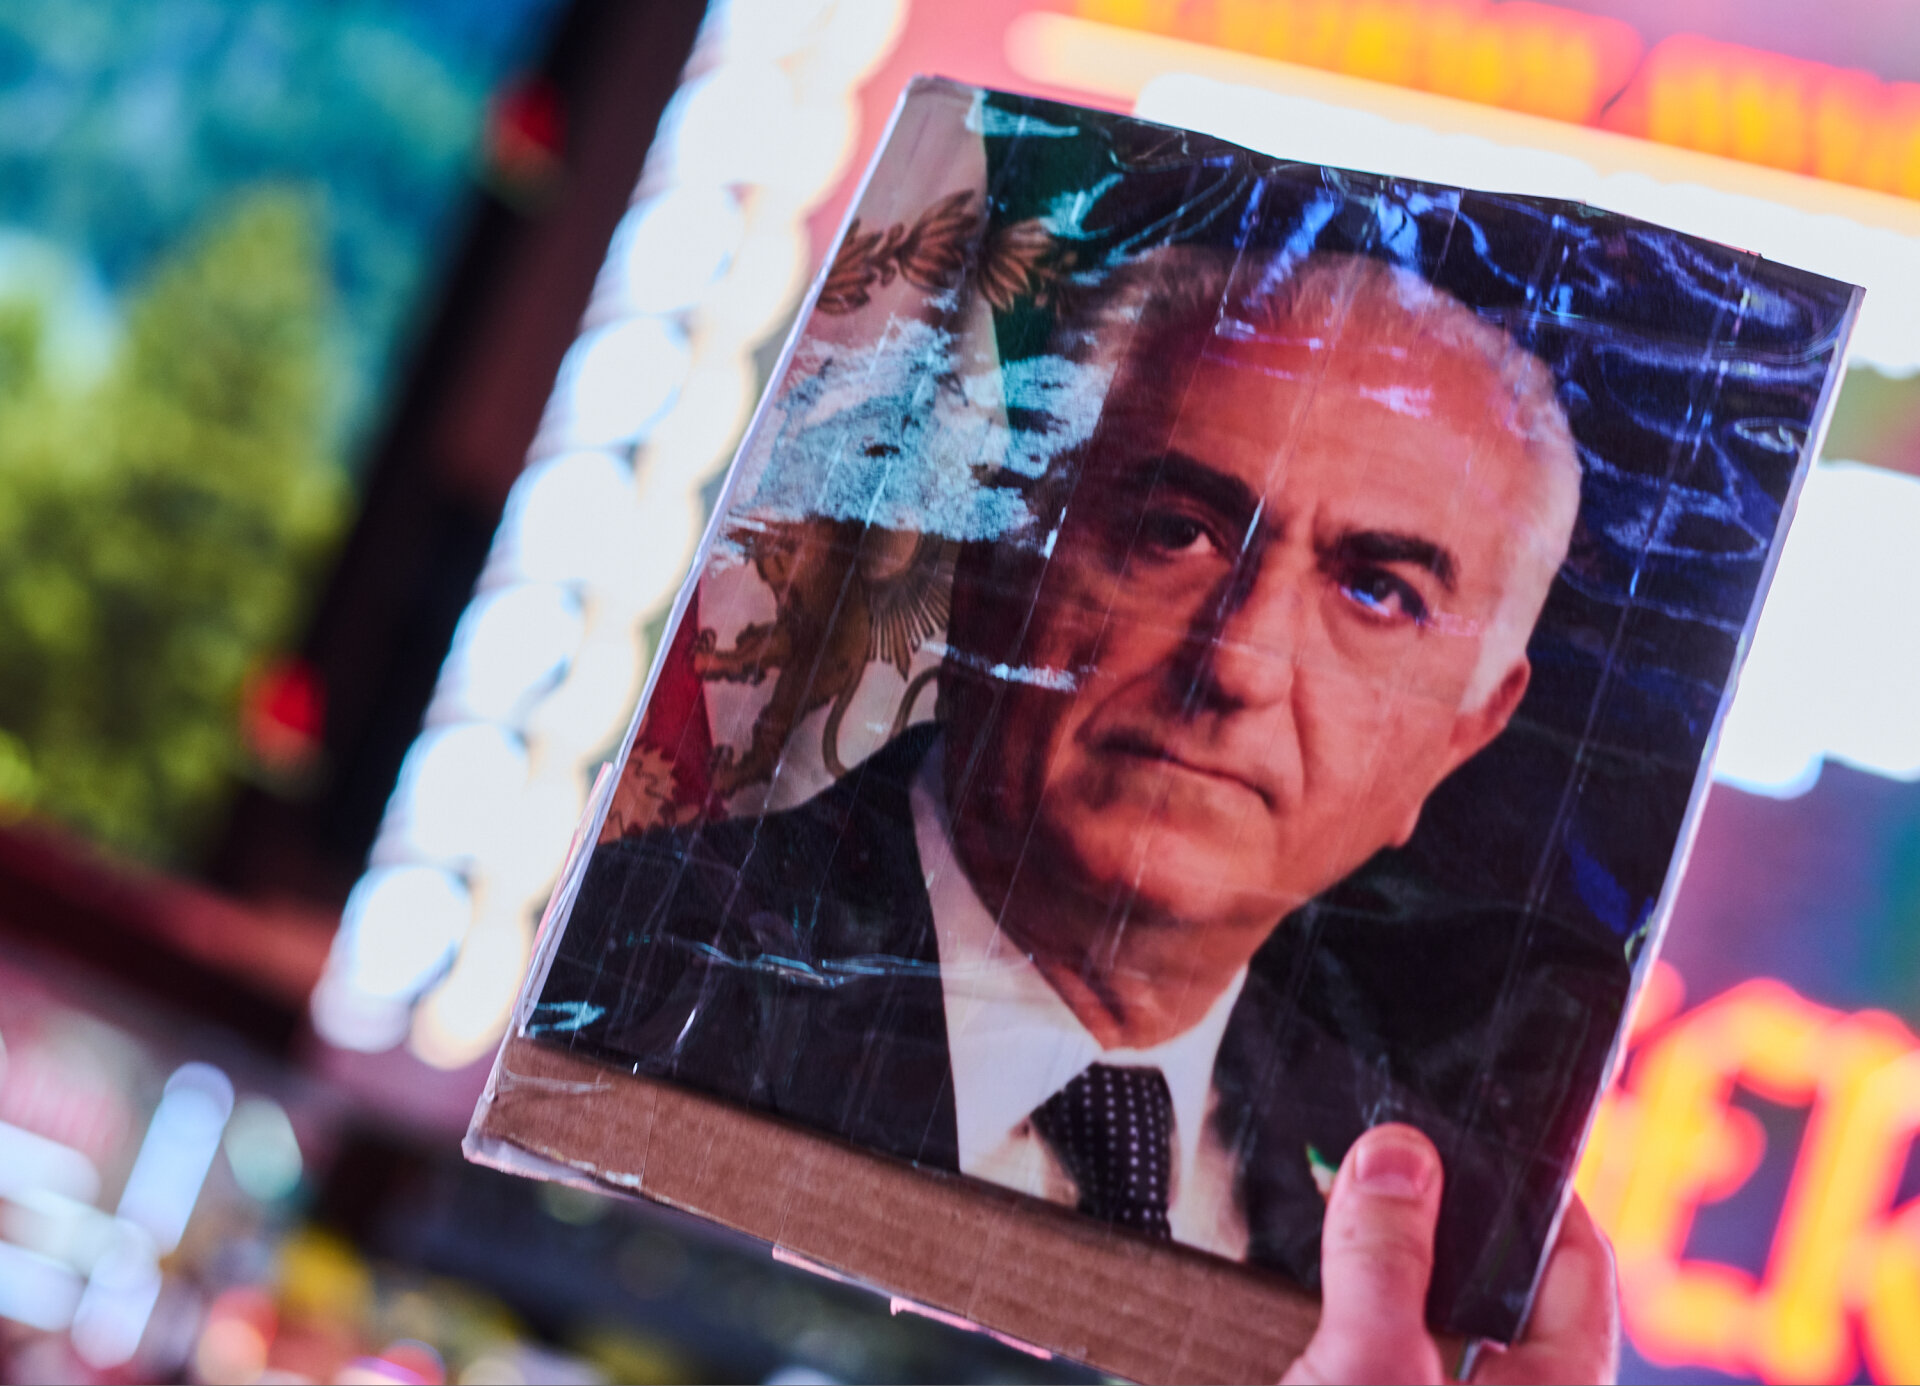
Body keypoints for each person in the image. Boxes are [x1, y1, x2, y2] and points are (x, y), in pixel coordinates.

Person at [538, 246, 1589, 1332]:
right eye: (1175, 534)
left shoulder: (1444, 1258)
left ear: (1464, 733)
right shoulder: (625, 970)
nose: (1238, 667)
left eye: (1376, 592)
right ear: (997, 554)